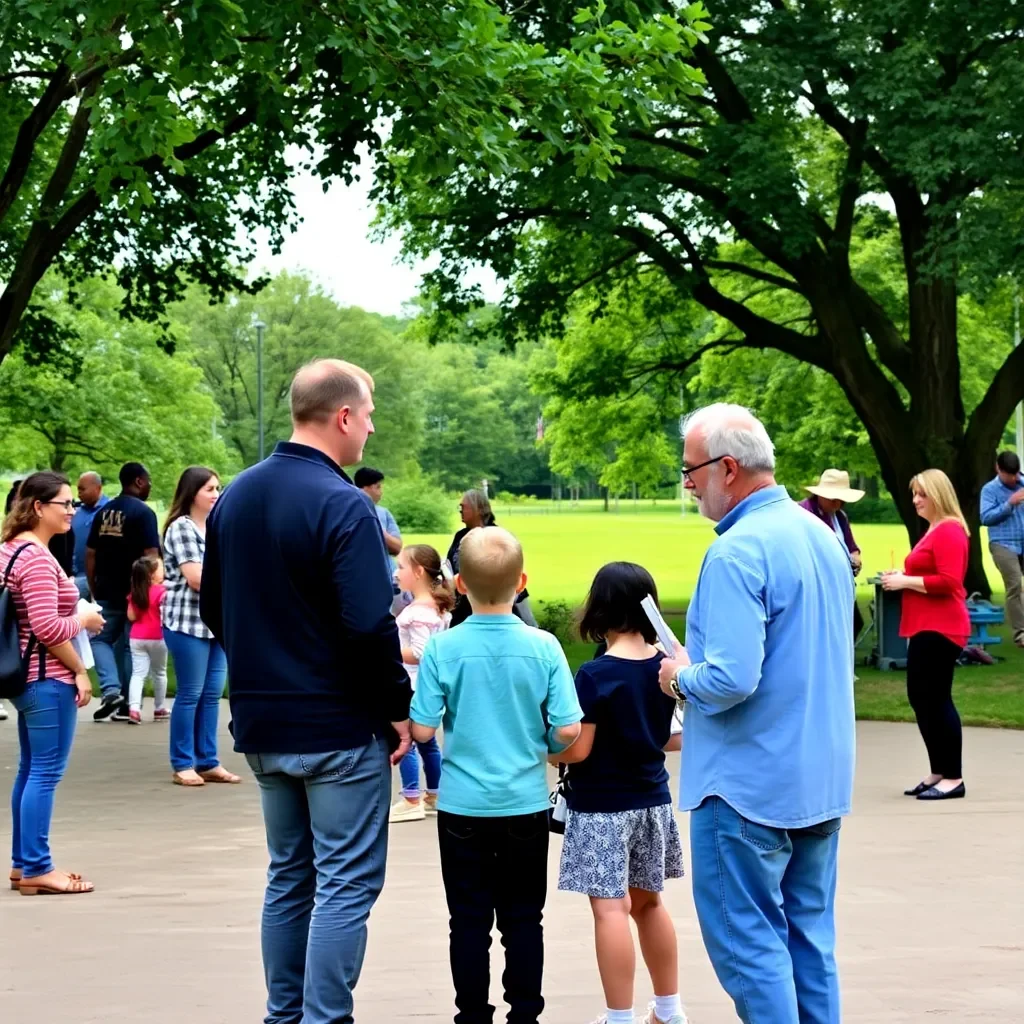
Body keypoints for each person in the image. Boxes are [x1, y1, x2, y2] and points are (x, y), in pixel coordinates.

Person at [201, 359, 412, 1024]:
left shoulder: (236, 495)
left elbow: (215, 606)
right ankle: (325, 1018)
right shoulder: (344, 503)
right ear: (343, 416)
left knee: (289, 877)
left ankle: (284, 1015)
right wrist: (397, 709)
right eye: (369, 416)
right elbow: (367, 622)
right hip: (336, 725)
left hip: (263, 721)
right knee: (345, 884)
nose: (371, 430)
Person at [657, 403, 856, 1024]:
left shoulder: (737, 551)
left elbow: (732, 679)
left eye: (691, 470)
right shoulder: (821, 536)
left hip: (746, 786)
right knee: (809, 942)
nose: (687, 483)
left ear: (729, 468)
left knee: (751, 947)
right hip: (818, 777)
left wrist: (677, 676)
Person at [410, 526, 583, 1024]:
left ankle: (472, 1015)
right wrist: (546, 747)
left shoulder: (443, 648)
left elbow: (422, 730)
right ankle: (525, 1013)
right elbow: (568, 727)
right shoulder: (544, 646)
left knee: (467, 920)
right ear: (521, 581)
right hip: (524, 803)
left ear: (459, 583)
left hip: (463, 805)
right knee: (524, 918)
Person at [554, 562, 687, 1024]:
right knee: (649, 903)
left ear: (600, 608)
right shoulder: (666, 667)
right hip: (653, 801)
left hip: (602, 808)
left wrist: (546, 748)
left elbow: (579, 749)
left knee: (611, 911)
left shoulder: (595, 675)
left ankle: (619, 1017)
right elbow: (672, 736)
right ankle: (670, 1010)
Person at [2, 471, 105, 895]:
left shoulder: (9, 550)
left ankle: (22, 864)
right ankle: (39, 868)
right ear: (39, 507)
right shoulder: (37, 558)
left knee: (29, 771)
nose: (72, 511)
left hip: (24, 678)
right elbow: (47, 626)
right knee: (44, 773)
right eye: (65, 503)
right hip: (47, 678)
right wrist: (82, 639)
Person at [881, 469, 970, 801]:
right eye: (914, 494)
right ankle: (939, 770)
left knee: (936, 699)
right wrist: (904, 575)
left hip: (941, 627)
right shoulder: (934, 530)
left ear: (938, 496)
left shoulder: (949, 530)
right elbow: (930, 573)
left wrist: (905, 581)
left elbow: (950, 582)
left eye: (922, 495)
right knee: (922, 699)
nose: (916, 500)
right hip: (924, 626)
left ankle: (954, 777)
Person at [162, 466, 234, 785]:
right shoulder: (182, 528)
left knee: (211, 695)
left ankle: (208, 760)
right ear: (193, 493)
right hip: (187, 623)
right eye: (210, 489)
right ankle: (182, 763)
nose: (216, 495)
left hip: (215, 624)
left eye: (218, 488)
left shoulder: (216, 527)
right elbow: (195, 578)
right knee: (190, 693)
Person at [87, 462, 160, 722]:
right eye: (148, 480)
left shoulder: (103, 512)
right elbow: (151, 555)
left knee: (101, 640)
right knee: (131, 647)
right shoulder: (144, 513)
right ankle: (128, 704)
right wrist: (152, 590)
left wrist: (95, 586)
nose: (150, 485)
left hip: (106, 587)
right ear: (139, 481)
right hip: (136, 592)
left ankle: (110, 690)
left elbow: (91, 553)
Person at [389, 544, 454, 823]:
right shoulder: (436, 609)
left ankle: (411, 797)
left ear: (417, 572)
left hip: (411, 685)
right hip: (425, 686)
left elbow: (419, 653)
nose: (396, 572)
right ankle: (434, 794)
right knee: (427, 743)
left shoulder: (419, 612)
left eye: (401, 567)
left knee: (408, 740)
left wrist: (387, 649)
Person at [447, 489, 538, 627]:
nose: (460, 510)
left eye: (464, 506)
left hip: (499, 603)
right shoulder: (460, 536)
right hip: (465, 603)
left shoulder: (498, 536)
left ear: (478, 509)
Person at [799, 468, 865, 636]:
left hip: (841, 585)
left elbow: (852, 547)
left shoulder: (840, 516)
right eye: (834, 499)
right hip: (818, 587)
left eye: (842, 500)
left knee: (854, 624)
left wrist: (855, 559)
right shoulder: (804, 514)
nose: (838, 504)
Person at [980, 451, 1024, 649]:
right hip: (1003, 543)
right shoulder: (989, 490)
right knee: (1014, 585)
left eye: (1016, 474)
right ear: (999, 469)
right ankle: (1021, 634)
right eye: (1009, 475)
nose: (1013, 478)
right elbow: (986, 518)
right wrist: (1009, 504)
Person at [126, 555, 169, 724]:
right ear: (152, 574)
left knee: (138, 674)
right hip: (158, 637)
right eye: (160, 568)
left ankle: (134, 709)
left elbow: (131, 616)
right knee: (160, 673)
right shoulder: (162, 591)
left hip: (137, 638)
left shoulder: (135, 593)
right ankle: (159, 708)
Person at [354, 467, 404, 611]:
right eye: (378, 487)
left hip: (387, 580)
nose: (380, 492)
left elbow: (397, 547)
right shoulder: (347, 511)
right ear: (365, 488)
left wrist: (377, 528)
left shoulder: (383, 514)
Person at [71, 472, 107, 598]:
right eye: (78, 489)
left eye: (82, 489)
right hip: (75, 575)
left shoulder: (108, 511)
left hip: (99, 577)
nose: (79, 494)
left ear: (97, 488)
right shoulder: (75, 512)